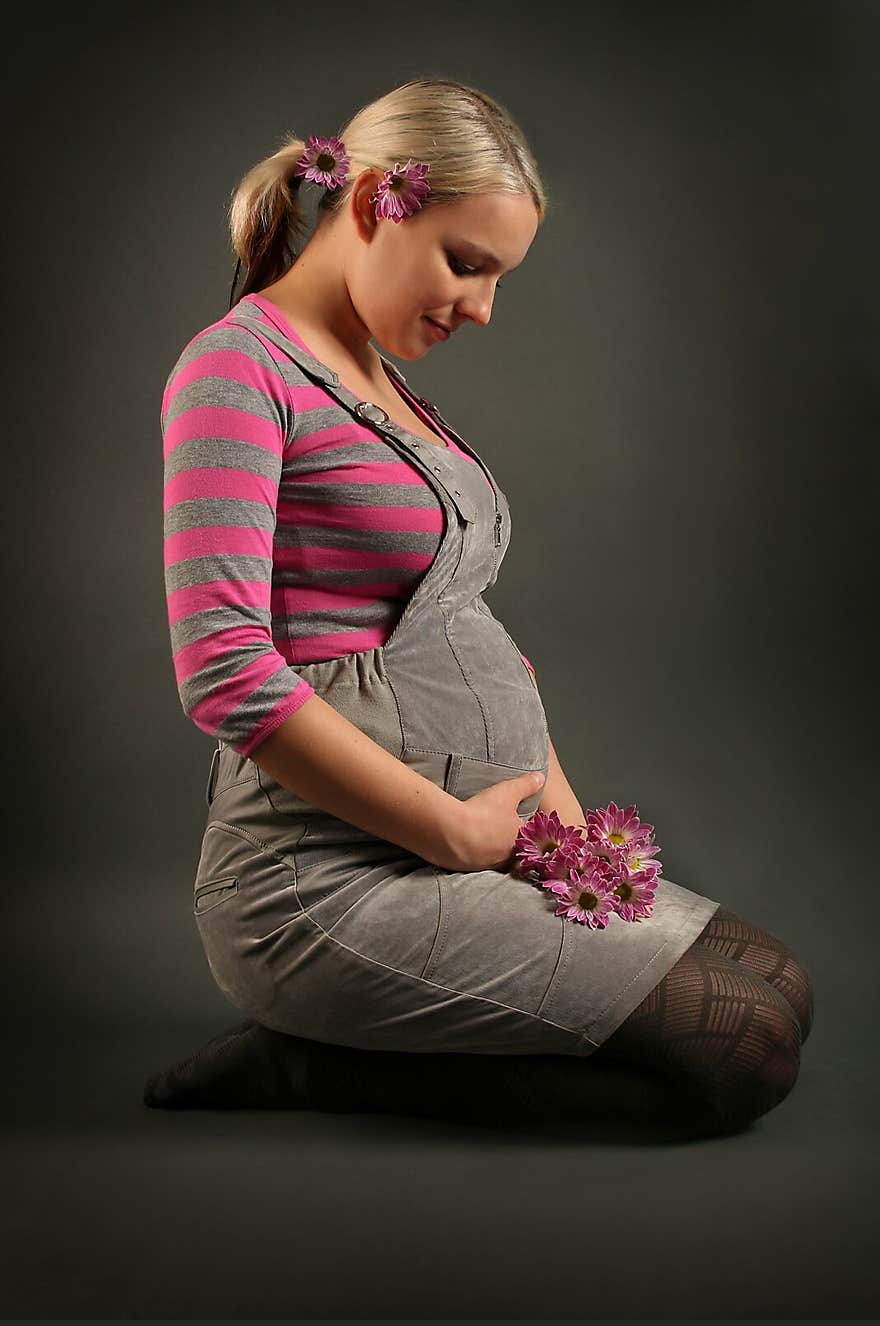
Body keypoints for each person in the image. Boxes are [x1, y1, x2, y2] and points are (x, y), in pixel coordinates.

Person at [146, 77, 814, 1136]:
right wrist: (456, 832)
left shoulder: (376, 374)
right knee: (742, 1049)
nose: (482, 309)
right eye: (467, 263)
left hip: (465, 846)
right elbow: (223, 668)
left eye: (500, 278)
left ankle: (340, 1046)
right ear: (372, 204)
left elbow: (463, 634)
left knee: (780, 983)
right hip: (326, 881)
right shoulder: (235, 372)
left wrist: (567, 835)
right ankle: (309, 1066)